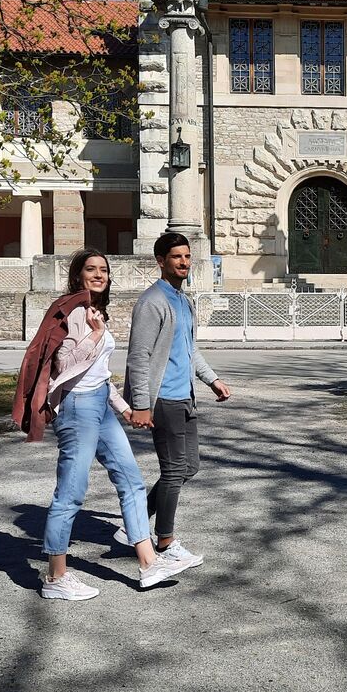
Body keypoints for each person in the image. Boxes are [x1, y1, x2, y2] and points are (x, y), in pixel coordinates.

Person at [12, 249, 195, 600]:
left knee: (131, 480)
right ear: (78, 275)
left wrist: (124, 409)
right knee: (71, 493)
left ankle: (148, 563)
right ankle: (55, 577)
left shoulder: (96, 311)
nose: (99, 274)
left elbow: (98, 375)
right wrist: (95, 337)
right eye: (91, 269)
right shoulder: (73, 311)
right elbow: (64, 366)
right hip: (76, 409)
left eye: (104, 270)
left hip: (99, 403)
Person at [120, 232, 231, 567]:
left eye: (187, 257)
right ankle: (165, 541)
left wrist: (212, 380)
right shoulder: (152, 302)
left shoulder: (183, 300)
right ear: (160, 261)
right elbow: (139, 356)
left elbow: (189, 349)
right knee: (173, 470)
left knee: (190, 466)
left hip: (186, 397)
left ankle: (134, 524)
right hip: (163, 399)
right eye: (176, 257)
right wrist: (140, 403)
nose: (184, 262)